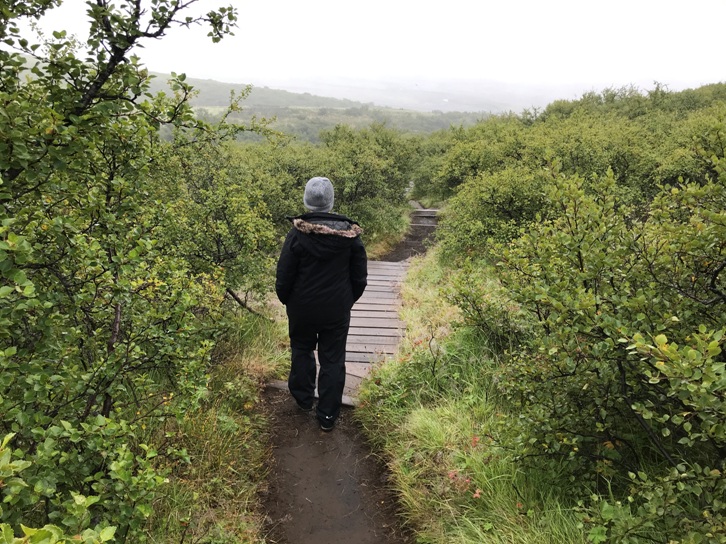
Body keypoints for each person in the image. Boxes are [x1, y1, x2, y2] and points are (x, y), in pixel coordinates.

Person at [275, 177, 368, 432]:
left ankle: (304, 400)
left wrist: (288, 301)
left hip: (301, 308)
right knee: (333, 359)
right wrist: (346, 301)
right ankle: (327, 415)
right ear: (331, 202)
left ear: (307, 201)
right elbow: (359, 277)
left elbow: (284, 276)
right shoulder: (350, 237)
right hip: (336, 310)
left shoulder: (296, 235)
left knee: (302, 350)